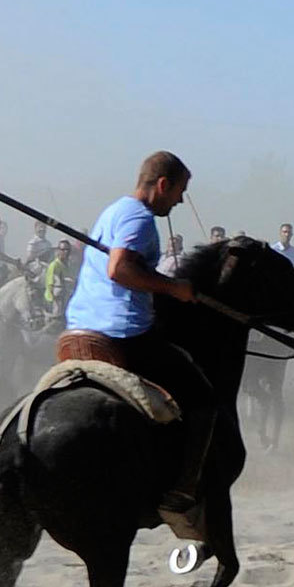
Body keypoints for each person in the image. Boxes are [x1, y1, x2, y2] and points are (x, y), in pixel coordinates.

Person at [62, 150, 211, 519]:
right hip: (122, 331)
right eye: (179, 192)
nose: (179, 201)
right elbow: (119, 269)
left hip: (78, 328)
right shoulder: (141, 218)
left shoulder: (113, 211)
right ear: (162, 184)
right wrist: (174, 288)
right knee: (202, 397)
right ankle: (183, 489)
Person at [43, 239, 75, 317]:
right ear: (58, 251)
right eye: (63, 250)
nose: (65, 252)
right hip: (55, 300)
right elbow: (50, 285)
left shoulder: (68, 265)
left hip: (65, 298)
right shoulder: (54, 265)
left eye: (67, 250)